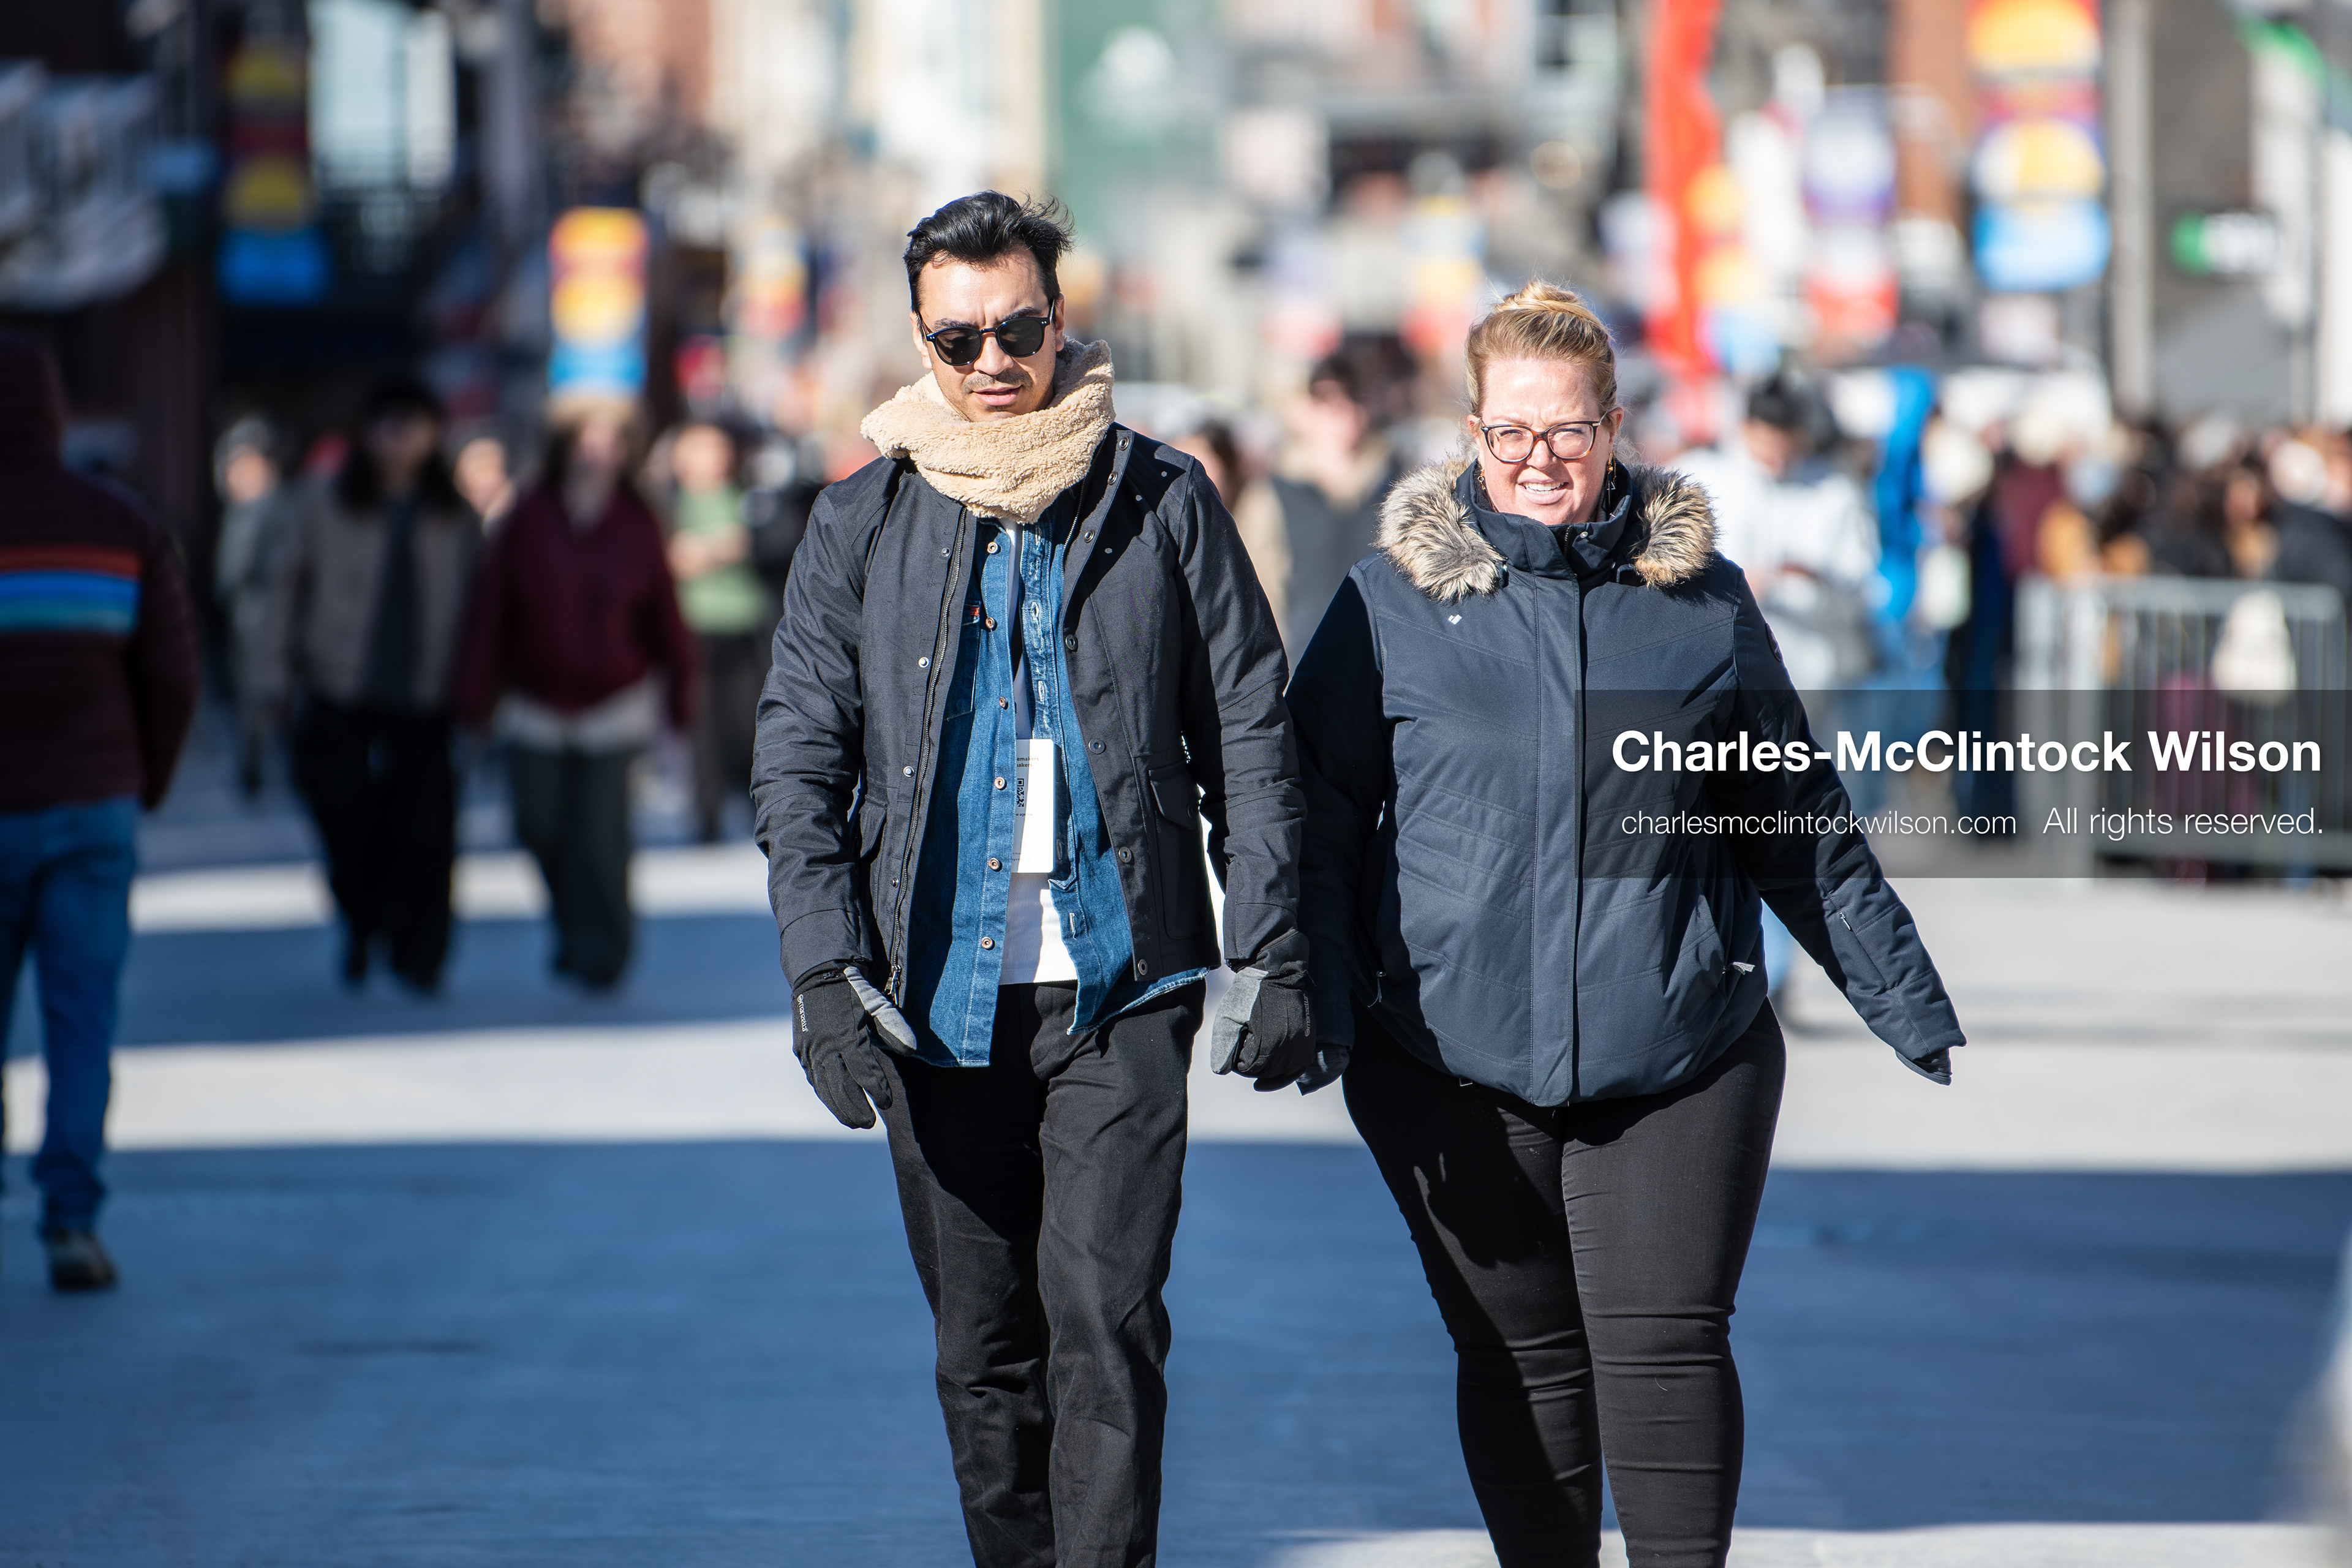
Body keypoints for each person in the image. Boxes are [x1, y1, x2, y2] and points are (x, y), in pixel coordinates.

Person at [1286, 284, 1965, 1568]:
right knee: (1518, 1355)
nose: (1540, 460)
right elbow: (1313, 814)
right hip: (1447, 1053)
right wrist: (1309, 988)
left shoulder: (1701, 601)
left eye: (1570, 431)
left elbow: (1794, 816)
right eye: (1510, 435)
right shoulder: (1389, 605)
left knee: (1663, 1347)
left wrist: (1901, 995)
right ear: (1472, 432)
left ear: (1616, 426)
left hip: (1680, 1046)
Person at [752, 191, 1313, 1567]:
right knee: (982, 1349)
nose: (994, 360)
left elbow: (1247, 724)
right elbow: (796, 755)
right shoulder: (861, 519)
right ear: (921, 342)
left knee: (1106, 1323)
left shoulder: (1162, 498)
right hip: (927, 995)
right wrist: (824, 967)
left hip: (1119, 981)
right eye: (961, 337)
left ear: (1062, 323)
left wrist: (1280, 944)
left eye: (1019, 328)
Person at [0, 334, 198, 1291]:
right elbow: (172, 672)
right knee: (80, 1022)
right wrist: (144, 781)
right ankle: (70, 1218)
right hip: (92, 809)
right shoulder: (118, 523)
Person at [453, 409, 696, 991]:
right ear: (562, 448)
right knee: (539, 824)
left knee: (600, 833)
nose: (598, 452)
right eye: (587, 441)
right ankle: (571, 926)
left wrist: (680, 702)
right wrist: (473, 700)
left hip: (613, 702)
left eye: (611, 441)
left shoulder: (637, 522)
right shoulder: (527, 518)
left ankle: (605, 948)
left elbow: (665, 617)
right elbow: (492, 612)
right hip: (536, 701)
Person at [258, 376, 481, 992]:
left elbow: (484, 609)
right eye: (388, 422)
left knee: (428, 830)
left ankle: (423, 952)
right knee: (343, 815)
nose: (399, 437)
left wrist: (481, 691)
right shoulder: (322, 503)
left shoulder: (454, 515)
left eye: (413, 423)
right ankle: (362, 921)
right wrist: (272, 677)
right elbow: (282, 592)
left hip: (426, 694)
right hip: (337, 687)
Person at [1234, 347, 1403, 656]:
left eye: (1350, 395)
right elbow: (1254, 594)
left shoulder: (1401, 485)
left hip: (1385, 674)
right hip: (1301, 671)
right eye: (1325, 397)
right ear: (1304, 409)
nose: (1340, 409)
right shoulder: (1271, 493)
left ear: (1368, 403)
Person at [662, 420, 772, 842]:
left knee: (748, 723)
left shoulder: (745, 496)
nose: (714, 459)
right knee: (701, 727)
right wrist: (722, 547)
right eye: (702, 449)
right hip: (692, 629)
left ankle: (754, 807)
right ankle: (704, 815)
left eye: (719, 449)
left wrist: (704, 551)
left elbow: (763, 540)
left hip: (744, 626)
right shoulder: (671, 502)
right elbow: (670, 558)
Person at [213, 417, 295, 796]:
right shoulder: (241, 510)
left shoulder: (275, 508)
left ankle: (260, 766)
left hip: (264, 615)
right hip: (246, 615)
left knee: (263, 694)